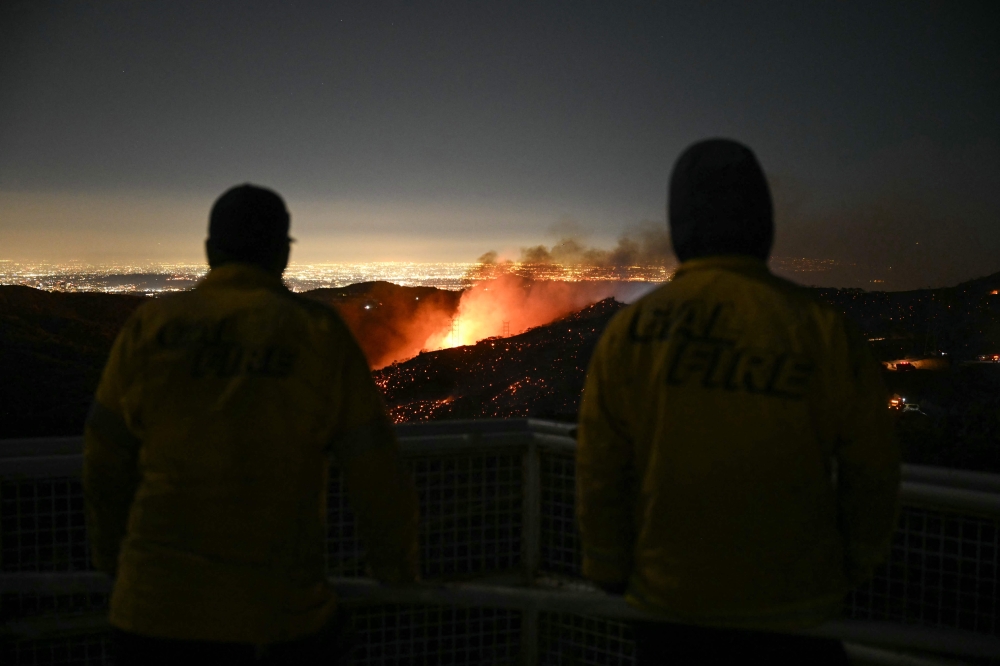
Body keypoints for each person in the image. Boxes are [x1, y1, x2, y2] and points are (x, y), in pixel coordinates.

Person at [576, 139, 900, 665]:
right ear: (762, 221)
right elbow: (874, 467)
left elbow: (599, 468)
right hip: (797, 608)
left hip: (668, 605)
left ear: (681, 224)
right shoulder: (823, 330)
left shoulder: (630, 333)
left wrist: (607, 570)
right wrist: (855, 563)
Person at [83, 184, 419, 665]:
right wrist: (396, 573)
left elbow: (103, 457)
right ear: (282, 253)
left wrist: (111, 560)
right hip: (276, 620)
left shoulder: (149, 327)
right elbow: (376, 472)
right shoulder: (317, 333)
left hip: (150, 613)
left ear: (208, 251)